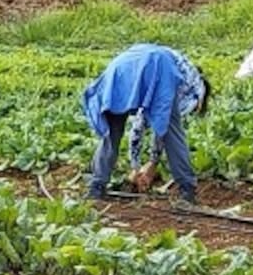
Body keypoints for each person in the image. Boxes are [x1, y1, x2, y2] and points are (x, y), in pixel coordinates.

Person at [82, 43, 209, 204]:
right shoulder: (195, 90)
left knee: (112, 131)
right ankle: (187, 189)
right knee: (172, 130)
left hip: (121, 67)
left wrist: (138, 166)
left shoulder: (183, 69)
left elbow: (142, 122)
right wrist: (150, 164)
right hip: (156, 64)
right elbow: (160, 126)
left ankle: (96, 186)